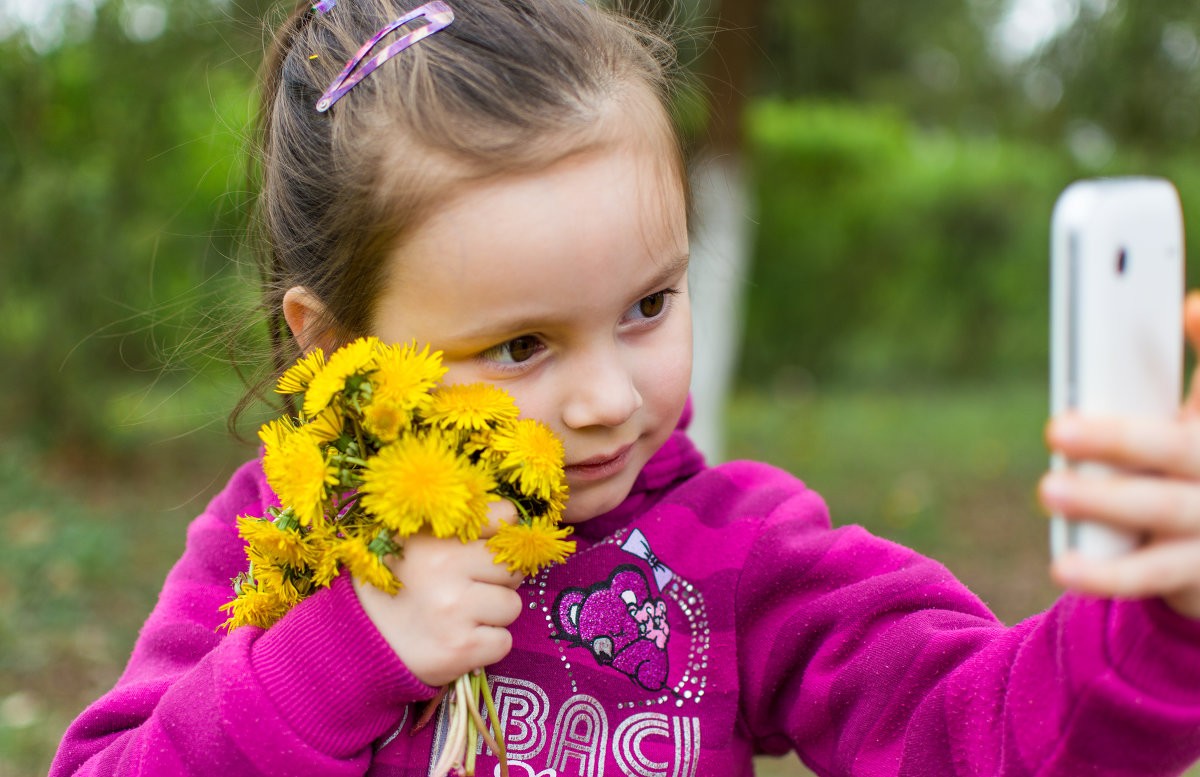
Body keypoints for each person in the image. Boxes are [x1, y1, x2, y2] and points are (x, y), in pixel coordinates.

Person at [50, 0, 1200, 775]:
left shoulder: (737, 555)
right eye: (520, 348)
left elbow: (980, 728)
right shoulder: (275, 544)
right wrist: (339, 653)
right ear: (334, 343)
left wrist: (1163, 617)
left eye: (648, 305)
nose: (607, 400)